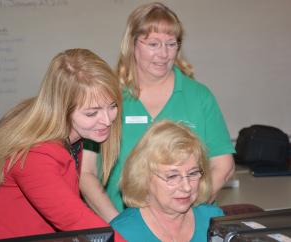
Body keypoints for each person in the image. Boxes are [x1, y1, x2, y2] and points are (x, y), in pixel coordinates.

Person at [80, 2, 235, 222]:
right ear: (132, 45)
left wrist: (188, 215)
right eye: (153, 44)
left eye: (171, 44)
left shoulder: (199, 96)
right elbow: (86, 175)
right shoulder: (109, 97)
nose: (163, 54)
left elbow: (223, 165)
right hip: (121, 222)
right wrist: (119, 225)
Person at [0, 49, 125, 241]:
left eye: (112, 106)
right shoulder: (35, 154)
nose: (107, 121)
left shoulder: (60, 125)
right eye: (92, 113)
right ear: (61, 108)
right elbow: (76, 221)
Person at [110, 120, 224, 242]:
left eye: (192, 173)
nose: (187, 187)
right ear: (144, 178)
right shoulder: (122, 232)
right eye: (172, 176)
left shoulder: (213, 220)